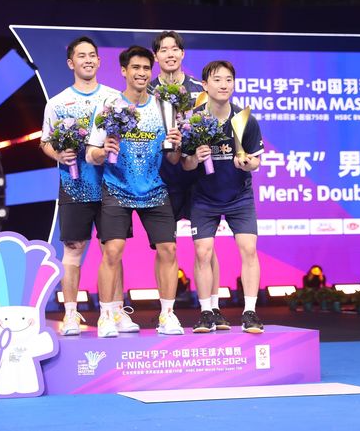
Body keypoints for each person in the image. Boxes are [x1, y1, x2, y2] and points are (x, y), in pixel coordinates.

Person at [40, 36, 138, 336]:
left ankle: (117, 311)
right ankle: (71, 314)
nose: (88, 60)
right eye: (81, 56)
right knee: (73, 248)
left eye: (92, 55)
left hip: (112, 185)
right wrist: (59, 153)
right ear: (71, 63)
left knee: (113, 250)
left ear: (98, 61)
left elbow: (129, 135)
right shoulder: (57, 103)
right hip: (75, 186)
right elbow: (44, 141)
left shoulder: (113, 99)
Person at [87, 45, 184, 338]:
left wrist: (177, 145)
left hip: (154, 189)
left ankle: (167, 315)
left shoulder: (164, 107)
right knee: (113, 250)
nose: (141, 73)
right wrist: (104, 151)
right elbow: (91, 153)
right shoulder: (109, 106)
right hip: (116, 187)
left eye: (146, 68)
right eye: (136, 68)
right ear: (124, 71)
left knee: (169, 250)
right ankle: (107, 316)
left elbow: (173, 159)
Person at [148, 31, 229, 330]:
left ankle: (214, 308)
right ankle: (166, 312)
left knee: (205, 247)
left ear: (182, 54)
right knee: (165, 248)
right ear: (156, 56)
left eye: (175, 49)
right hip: (161, 179)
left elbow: (219, 122)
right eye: (163, 50)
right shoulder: (148, 91)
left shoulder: (200, 89)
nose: (170, 54)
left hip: (198, 178)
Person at [182, 60, 265, 334]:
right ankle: (207, 312)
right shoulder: (194, 120)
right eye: (217, 80)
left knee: (249, 250)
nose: (223, 85)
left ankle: (250, 312)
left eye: (228, 79)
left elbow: (255, 162)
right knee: (202, 253)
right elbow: (185, 165)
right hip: (204, 198)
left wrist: (246, 163)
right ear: (205, 85)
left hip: (239, 197)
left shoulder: (244, 119)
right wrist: (196, 157)